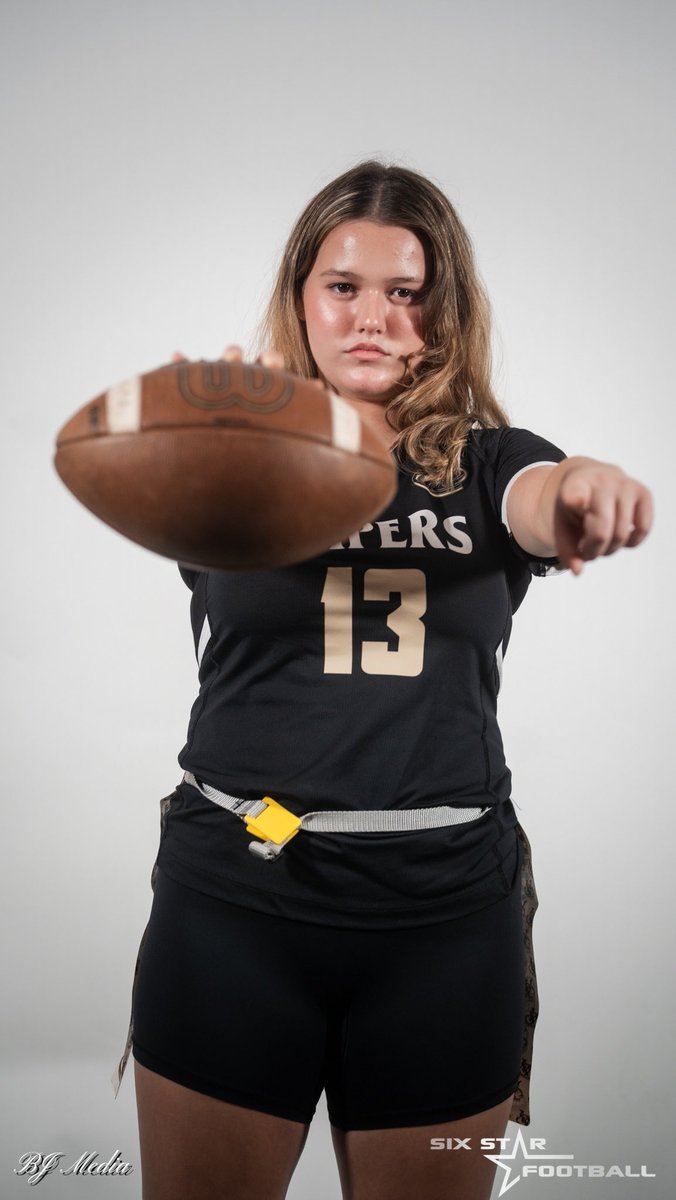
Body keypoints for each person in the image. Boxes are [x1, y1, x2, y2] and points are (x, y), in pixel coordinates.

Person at [111, 161, 653, 1200]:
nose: (374, 318)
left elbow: (547, 498)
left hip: (444, 914)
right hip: (236, 890)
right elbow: (162, 479)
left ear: (444, 312)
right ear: (300, 296)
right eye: (344, 287)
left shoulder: (493, 465)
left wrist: (585, 485)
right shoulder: (243, 453)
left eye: (407, 292)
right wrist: (188, 432)